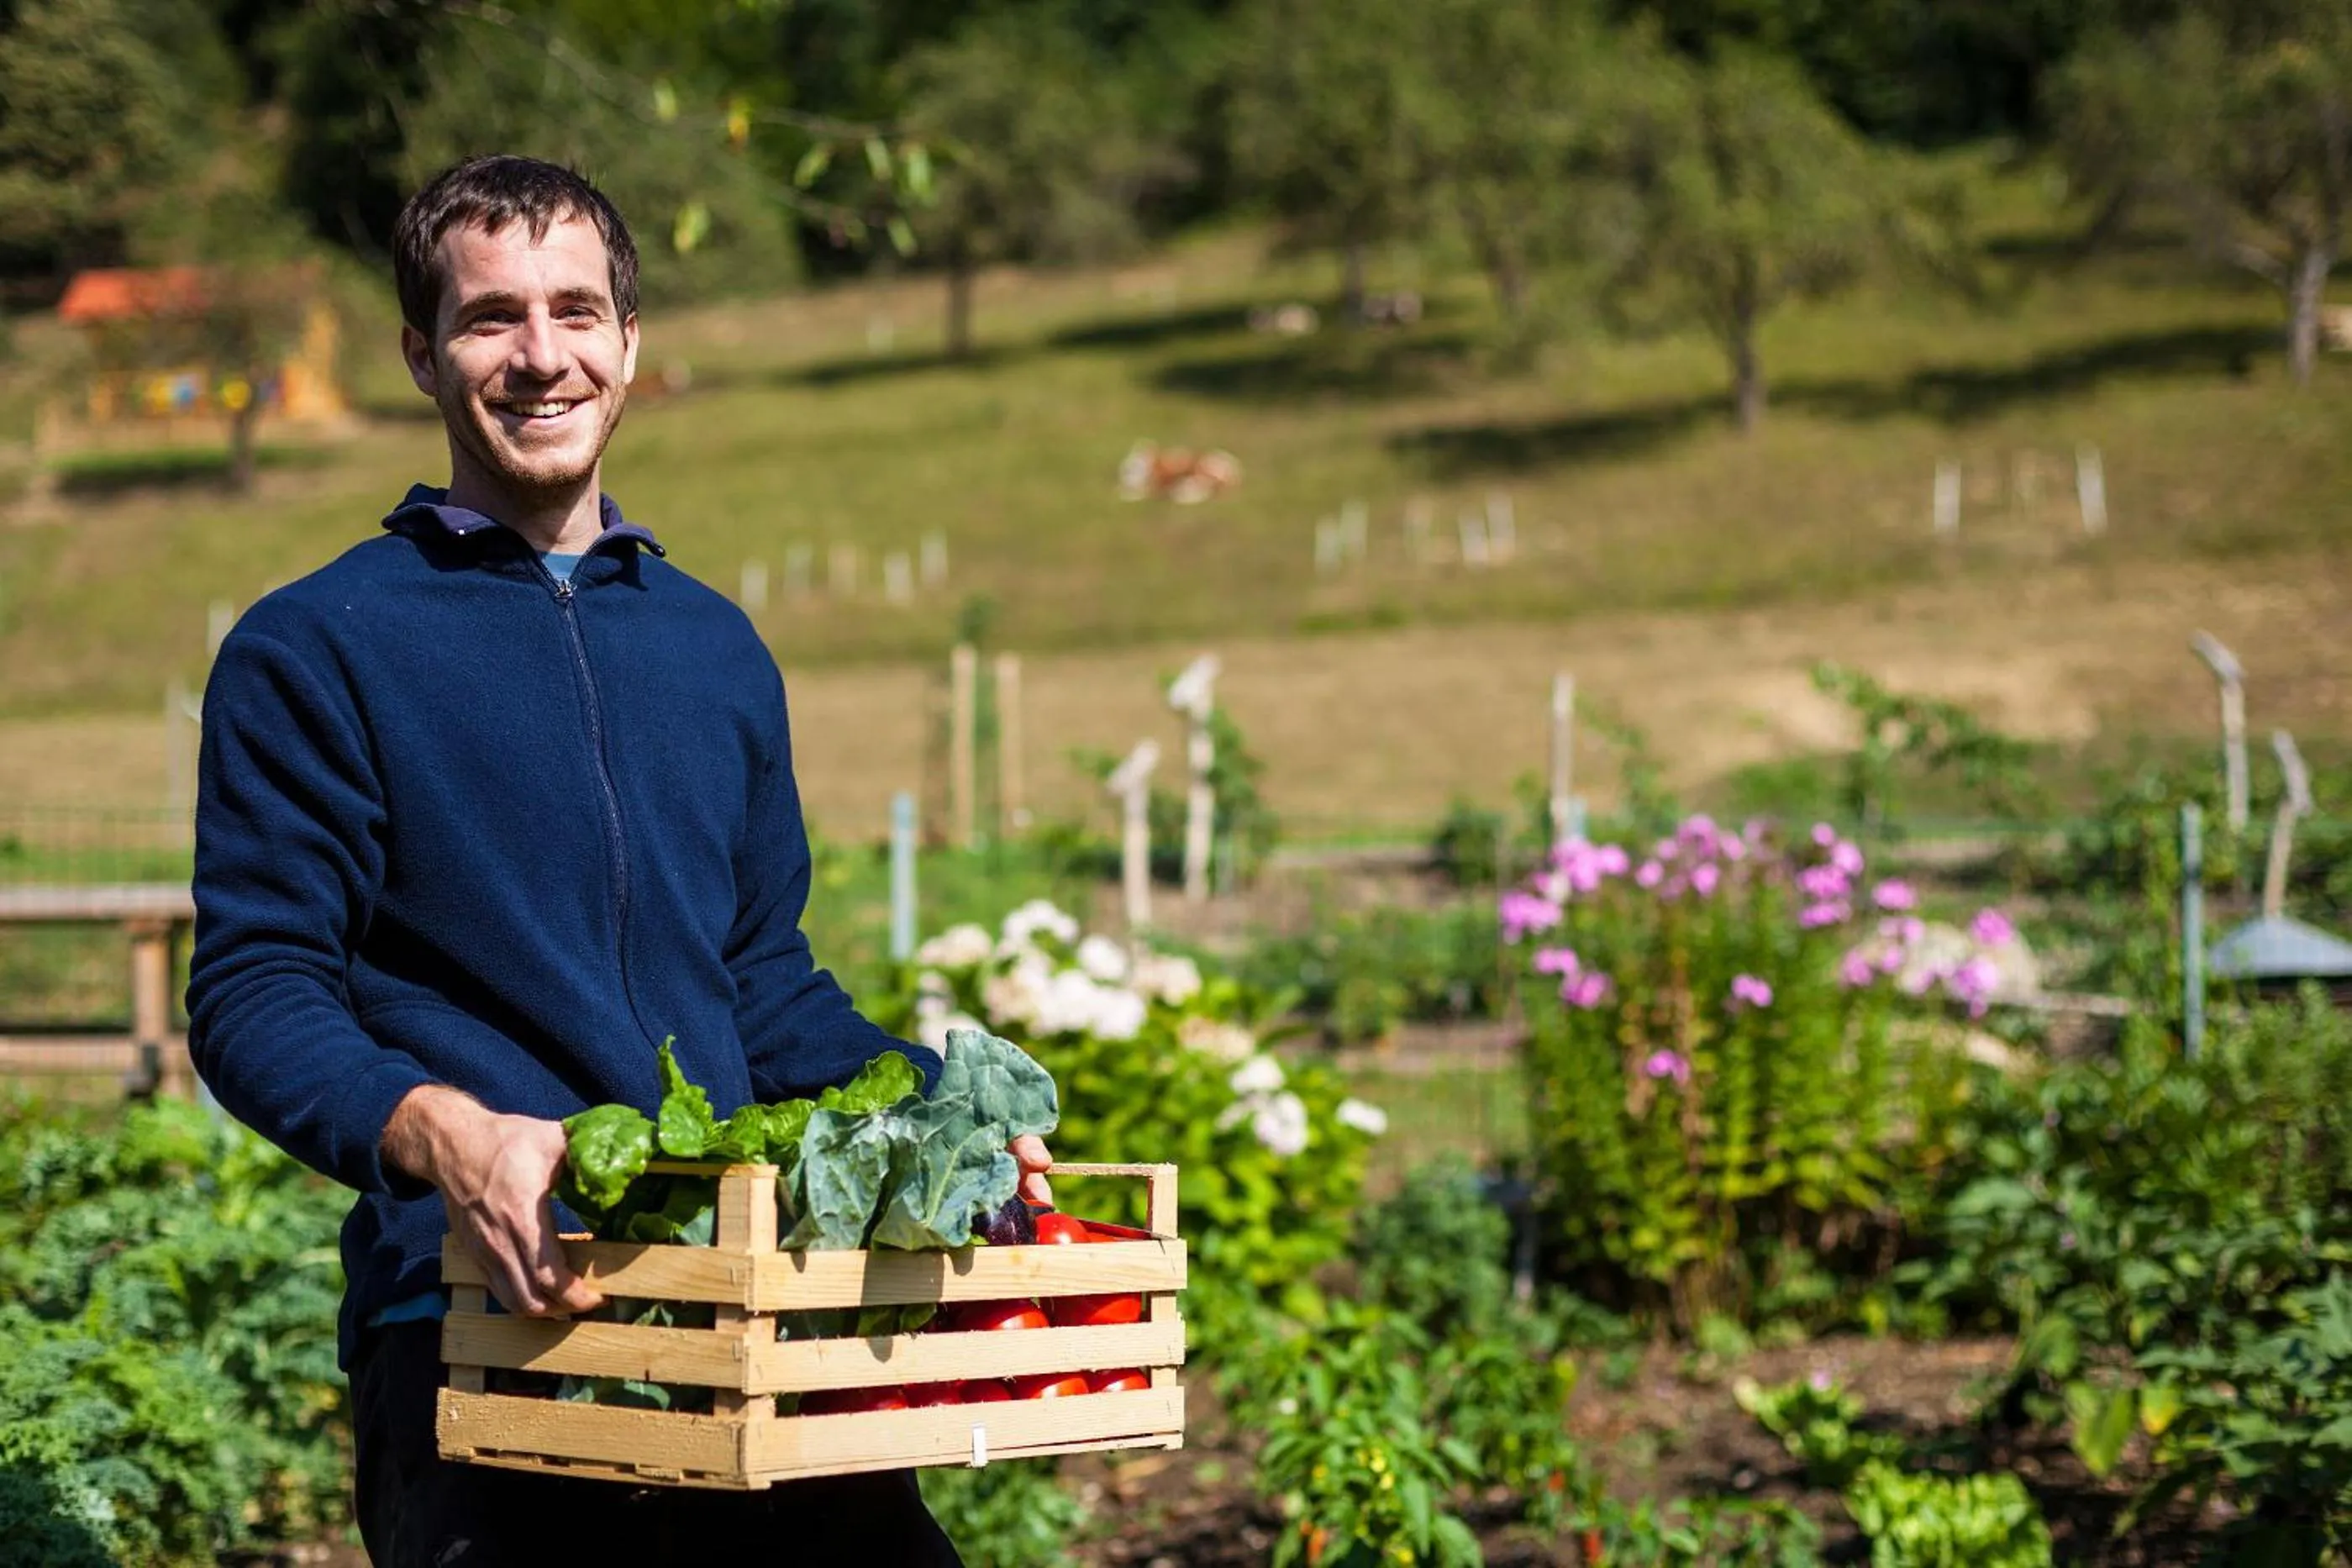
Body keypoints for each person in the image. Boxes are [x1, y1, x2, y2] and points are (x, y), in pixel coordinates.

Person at [186, 155, 1041, 1566]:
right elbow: (257, 992)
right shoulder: (315, 646)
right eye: (490, 318)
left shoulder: (714, 648)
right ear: (420, 354)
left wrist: (947, 1103)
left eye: (578, 311)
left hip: (742, 1304)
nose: (541, 356)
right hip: (483, 1324)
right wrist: (449, 1133)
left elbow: (763, 988)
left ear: (630, 344)